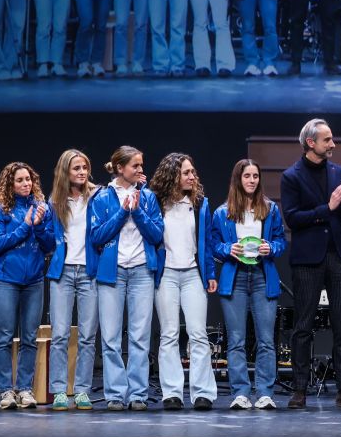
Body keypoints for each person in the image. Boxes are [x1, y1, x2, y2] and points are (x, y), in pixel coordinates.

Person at [280, 118, 341, 407]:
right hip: (307, 259)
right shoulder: (291, 176)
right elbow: (292, 218)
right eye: (327, 140)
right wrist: (326, 208)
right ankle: (299, 389)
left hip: (338, 255)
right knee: (303, 326)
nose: (333, 145)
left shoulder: (338, 171)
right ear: (311, 143)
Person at [88, 146, 164, 410]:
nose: (141, 170)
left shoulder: (149, 197)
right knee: (110, 338)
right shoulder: (102, 197)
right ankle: (115, 395)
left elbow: (156, 236)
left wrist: (138, 210)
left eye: (142, 165)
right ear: (120, 168)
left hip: (142, 271)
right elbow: (97, 237)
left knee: (140, 336)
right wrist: (123, 212)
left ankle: (138, 394)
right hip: (112, 272)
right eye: (136, 166)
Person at [209, 159, 288, 409]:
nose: (252, 180)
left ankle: (265, 392)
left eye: (255, 176)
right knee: (236, 340)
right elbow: (214, 245)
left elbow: (280, 241)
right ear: (238, 179)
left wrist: (271, 247)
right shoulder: (223, 212)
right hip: (236, 278)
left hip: (263, 277)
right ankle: (240, 393)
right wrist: (227, 248)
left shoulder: (270, 209)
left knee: (266, 339)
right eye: (247, 176)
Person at [149, 152, 219, 410]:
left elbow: (207, 243)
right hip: (166, 274)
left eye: (193, 172)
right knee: (168, 334)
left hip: (192, 275)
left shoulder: (200, 203)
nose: (192, 176)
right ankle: (172, 393)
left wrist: (210, 274)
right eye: (186, 172)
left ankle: (202, 393)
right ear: (173, 176)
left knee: (198, 334)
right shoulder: (156, 202)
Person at [0, 161, 55, 409]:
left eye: (29, 179)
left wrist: (37, 227)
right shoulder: (0, 210)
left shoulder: (42, 208)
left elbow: (49, 246)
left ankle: (25, 388)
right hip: (6, 280)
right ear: (10, 184)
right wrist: (25, 225)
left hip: (34, 280)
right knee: (4, 337)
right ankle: (6, 390)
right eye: (20, 180)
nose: (26, 184)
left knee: (29, 338)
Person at [45, 149, 99, 411]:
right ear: (65, 171)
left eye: (84, 167)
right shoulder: (55, 200)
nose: (81, 172)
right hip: (63, 272)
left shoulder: (97, 197)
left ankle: (81, 390)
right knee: (60, 334)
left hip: (89, 272)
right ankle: (58, 390)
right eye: (76, 168)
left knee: (88, 335)